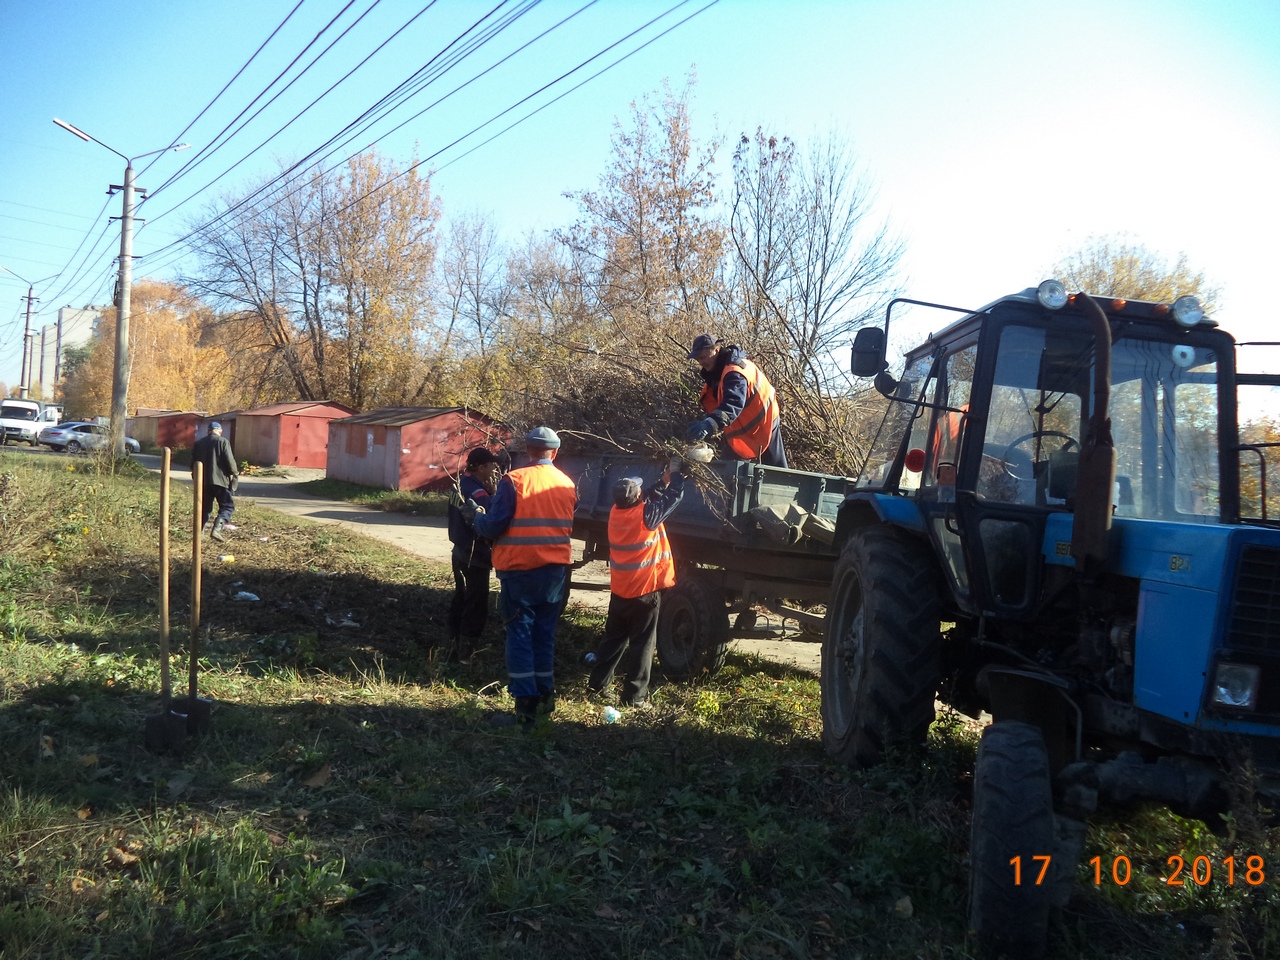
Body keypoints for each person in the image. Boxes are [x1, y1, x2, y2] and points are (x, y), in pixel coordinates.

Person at [469, 426, 577, 728]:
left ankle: (525, 707)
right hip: (555, 572)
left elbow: (494, 526)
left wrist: (476, 518)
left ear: (528, 451)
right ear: (554, 452)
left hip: (520, 571)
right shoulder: (566, 483)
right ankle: (545, 698)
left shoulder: (514, 480)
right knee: (544, 636)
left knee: (519, 635)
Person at [587, 462, 686, 708]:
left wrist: (662, 482)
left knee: (613, 640)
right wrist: (676, 474)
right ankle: (634, 697)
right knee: (642, 644)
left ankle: (597, 686)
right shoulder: (647, 517)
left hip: (621, 591)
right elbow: (676, 496)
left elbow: (647, 498)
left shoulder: (615, 512)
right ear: (639, 497)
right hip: (644, 592)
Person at [685, 334, 787, 467]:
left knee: (777, 471)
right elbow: (721, 402)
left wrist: (709, 424)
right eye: (698, 359)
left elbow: (733, 403)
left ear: (716, 349)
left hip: (765, 419)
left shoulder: (734, 372)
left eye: (703, 357)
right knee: (729, 470)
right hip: (744, 427)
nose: (701, 362)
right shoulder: (717, 374)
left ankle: (794, 486)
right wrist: (708, 420)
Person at [446, 447, 501, 661]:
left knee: (461, 597)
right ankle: (466, 653)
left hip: (459, 551)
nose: (493, 471)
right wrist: (495, 496)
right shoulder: (478, 493)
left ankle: (452, 641)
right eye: (491, 467)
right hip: (475, 556)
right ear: (480, 467)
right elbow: (492, 521)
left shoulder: (458, 484)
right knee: (476, 605)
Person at [191, 421, 239, 542]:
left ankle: (199, 532)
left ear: (208, 431)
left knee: (205, 508)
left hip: (204, 481)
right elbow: (230, 463)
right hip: (220, 481)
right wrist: (234, 474)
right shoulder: (223, 442)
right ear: (220, 431)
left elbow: (193, 463)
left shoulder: (199, 443)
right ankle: (217, 529)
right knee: (227, 506)